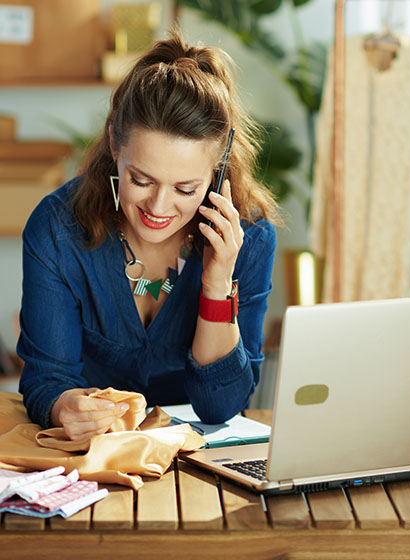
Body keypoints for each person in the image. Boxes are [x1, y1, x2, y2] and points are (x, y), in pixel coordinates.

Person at [17, 31, 278, 441]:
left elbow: (223, 406)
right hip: (91, 459)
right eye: (140, 179)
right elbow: (47, 379)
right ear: (114, 144)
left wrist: (216, 281)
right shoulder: (58, 228)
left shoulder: (250, 237)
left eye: (185, 189)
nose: (158, 207)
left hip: (198, 468)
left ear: (219, 168)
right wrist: (62, 405)